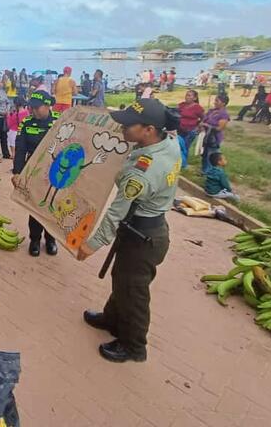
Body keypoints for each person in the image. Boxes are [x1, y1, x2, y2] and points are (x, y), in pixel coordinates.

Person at [81, 99, 181, 363]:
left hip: (142, 237)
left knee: (134, 292)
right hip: (147, 228)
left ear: (149, 129)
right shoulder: (168, 144)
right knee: (122, 280)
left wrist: (93, 244)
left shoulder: (143, 173)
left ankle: (134, 346)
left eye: (128, 125)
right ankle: (112, 318)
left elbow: (117, 212)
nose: (122, 128)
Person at [11, 91, 60, 257]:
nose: (33, 110)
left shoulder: (60, 121)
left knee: (52, 207)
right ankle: (35, 239)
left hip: (56, 173)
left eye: (37, 107)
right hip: (34, 172)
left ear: (48, 106)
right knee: (35, 207)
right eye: (31, 107)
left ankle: (51, 239)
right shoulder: (26, 123)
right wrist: (17, 172)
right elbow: (20, 150)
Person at [200, 93, 230, 173]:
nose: (215, 102)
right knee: (204, 155)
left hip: (214, 138)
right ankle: (204, 171)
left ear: (223, 103)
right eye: (215, 100)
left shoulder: (223, 114)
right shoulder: (211, 111)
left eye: (217, 101)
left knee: (212, 156)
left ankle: (211, 173)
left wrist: (207, 125)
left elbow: (220, 128)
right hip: (206, 136)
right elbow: (204, 119)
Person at [177, 89, 205, 167]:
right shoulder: (181, 105)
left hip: (191, 130)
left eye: (189, 95)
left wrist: (199, 127)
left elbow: (203, 118)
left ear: (195, 98)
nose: (187, 97)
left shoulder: (197, 108)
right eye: (186, 95)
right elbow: (175, 113)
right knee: (178, 145)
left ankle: (183, 163)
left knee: (185, 146)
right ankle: (178, 161)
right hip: (180, 129)